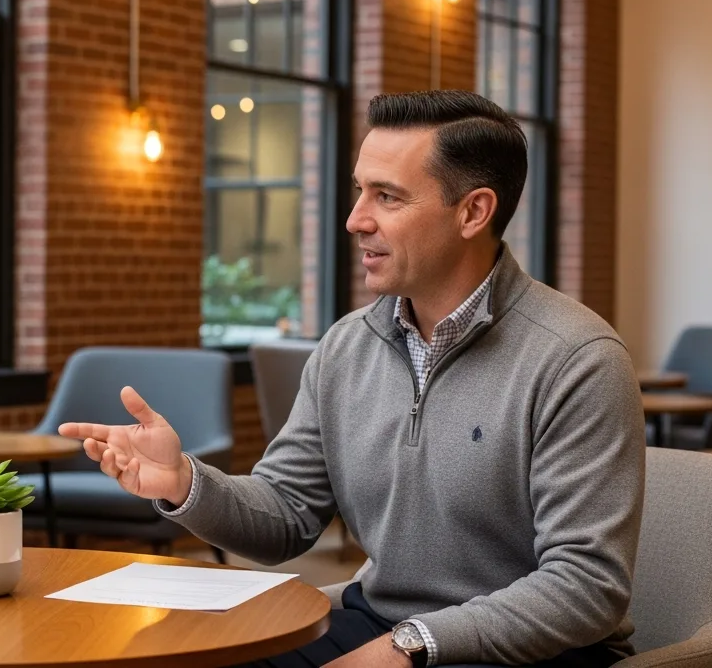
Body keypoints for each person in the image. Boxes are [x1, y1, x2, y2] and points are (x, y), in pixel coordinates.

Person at [59, 90, 645, 668]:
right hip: (378, 623)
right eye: (359, 191)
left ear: (473, 211)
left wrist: (410, 645)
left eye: (387, 197)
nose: (355, 220)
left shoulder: (577, 358)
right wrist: (183, 482)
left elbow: (586, 586)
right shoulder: (346, 347)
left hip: (531, 652)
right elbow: (286, 516)